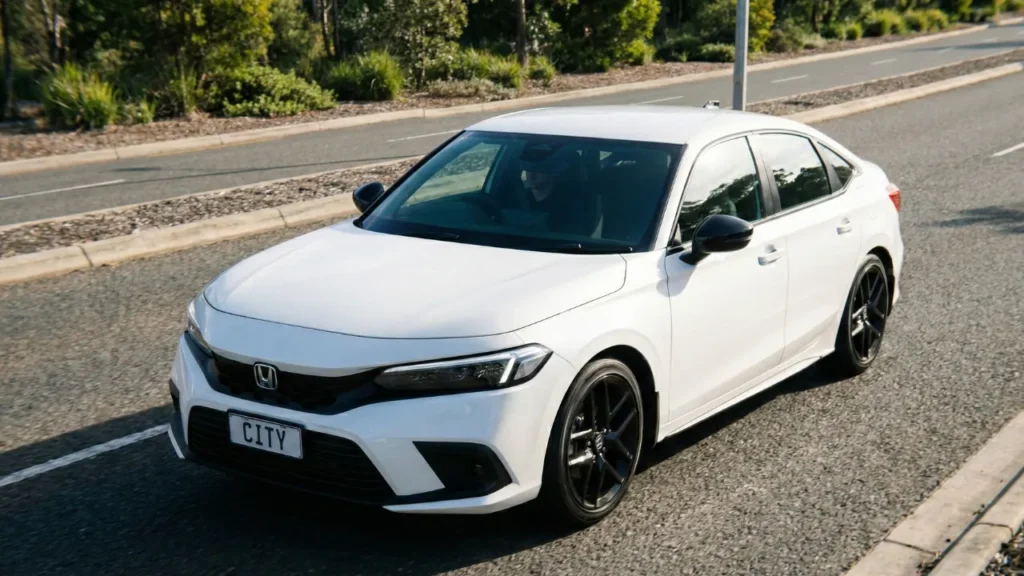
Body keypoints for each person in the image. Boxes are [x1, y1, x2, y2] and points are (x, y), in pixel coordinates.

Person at [519, 146, 600, 237]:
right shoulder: (517, 200)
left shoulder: (571, 205)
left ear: (554, 171)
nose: (531, 175)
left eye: (540, 169)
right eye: (529, 169)